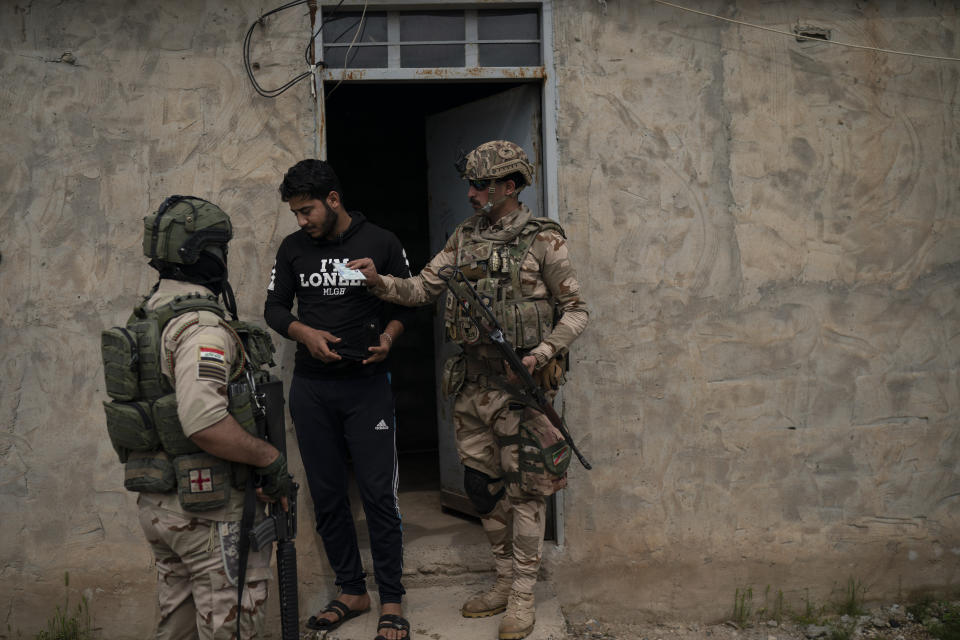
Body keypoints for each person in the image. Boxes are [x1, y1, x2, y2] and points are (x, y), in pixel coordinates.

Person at [348, 140, 589, 640]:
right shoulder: (465, 236)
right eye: (471, 185)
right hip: (473, 386)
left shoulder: (543, 240)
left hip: (520, 388)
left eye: (481, 185)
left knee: (525, 491)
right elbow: (421, 289)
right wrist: (378, 282)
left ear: (510, 186)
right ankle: (503, 579)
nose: (473, 193)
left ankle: (523, 593)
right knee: (481, 488)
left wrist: (541, 354)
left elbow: (577, 311)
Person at [101, 195, 290, 638]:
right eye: (219, 248)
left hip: (163, 509)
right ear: (203, 253)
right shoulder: (201, 328)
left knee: (178, 629)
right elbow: (203, 421)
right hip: (212, 516)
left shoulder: (148, 318)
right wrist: (268, 458)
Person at [263, 160, 414, 640]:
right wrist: (303, 332)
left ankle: (392, 597)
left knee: (377, 495)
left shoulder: (381, 242)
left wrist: (389, 337)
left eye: (306, 210)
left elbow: (407, 302)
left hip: (367, 387)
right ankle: (352, 590)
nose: (301, 221)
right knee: (327, 495)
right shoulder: (293, 249)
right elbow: (274, 307)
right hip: (312, 388)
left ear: (333, 200)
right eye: (295, 213)